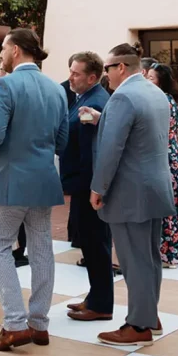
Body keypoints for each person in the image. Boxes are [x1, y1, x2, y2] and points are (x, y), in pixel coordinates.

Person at [0, 29, 69, 351]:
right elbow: (62, 141)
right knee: (42, 248)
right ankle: (39, 324)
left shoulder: (5, 84)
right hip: (43, 178)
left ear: (15, 50)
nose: (0, 54)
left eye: (2, 48)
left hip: (8, 180)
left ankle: (15, 324)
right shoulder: (57, 89)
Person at [83, 44, 175, 347]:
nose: (105, 75)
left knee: (134, 260)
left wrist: (98, 188)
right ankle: (150, 314)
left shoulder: (123, 96)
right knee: (149, 257)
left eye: (107, 69)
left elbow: (112, 150)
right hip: (155, 185)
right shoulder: (154, 92)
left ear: (121, 67)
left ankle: (138, 324)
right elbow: (140, 133)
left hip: (129, 190)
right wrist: (103, 119)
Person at [60, 52, 113, 322]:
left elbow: (94, 151)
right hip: (81, 183)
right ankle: (95, 296)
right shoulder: (83, 98)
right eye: (71, 71)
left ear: (92, 77)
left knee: (96, 243)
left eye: (76, 73)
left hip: (88, 184)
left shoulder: (97, 103)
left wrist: (95, 187)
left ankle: (102, 303)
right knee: (90, 244)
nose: (70, 77)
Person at [145, 63, 178, 268]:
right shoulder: (176, 103)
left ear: (160, 81)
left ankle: (165, 254)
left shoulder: (157, 101)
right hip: (175, 155)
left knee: (163, 203)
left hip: (161, 155)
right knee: (175, 203)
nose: (147, 80)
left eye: (151, 78)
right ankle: (177, 250)